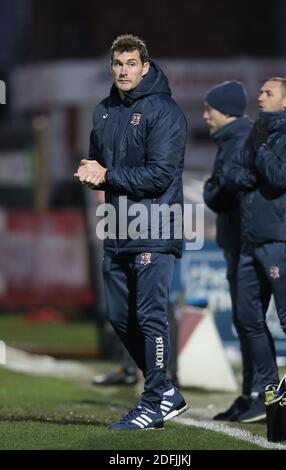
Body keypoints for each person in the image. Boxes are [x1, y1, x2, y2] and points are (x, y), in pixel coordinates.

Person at [75, 34, 188, 430]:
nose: (124, 70)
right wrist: (91, 171)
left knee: (150, 315)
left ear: (145, 66)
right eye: (117, 63)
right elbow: (100, 163)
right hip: (117, 229)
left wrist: (107, 175)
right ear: (112, 67)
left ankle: (155, 401)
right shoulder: (103, 110)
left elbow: (160, 175)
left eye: (130, 63)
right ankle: (167, 391)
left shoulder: (165, 111)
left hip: (154, 226)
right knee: (120, 318)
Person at [225, 77, 286, 422]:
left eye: (269, 93)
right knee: (247, 318)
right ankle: (270, 394)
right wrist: (249, 164)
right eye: (261, 92)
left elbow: (281, 175)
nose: (260, 96)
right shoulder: (258, 134)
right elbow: (236, 176)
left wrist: (259, 150)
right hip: (250, 239)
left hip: (280, 239)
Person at [203, 81, 262, 421]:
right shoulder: (230, 139)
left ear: (226, 110)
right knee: (245, 321)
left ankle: (259, 393)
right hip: (237, 240)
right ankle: (248, 392)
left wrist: (215, 190)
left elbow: (221, 191)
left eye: (211, 108)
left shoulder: (239, 140)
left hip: (245, 241)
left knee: (250, 321)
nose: (206, 114)